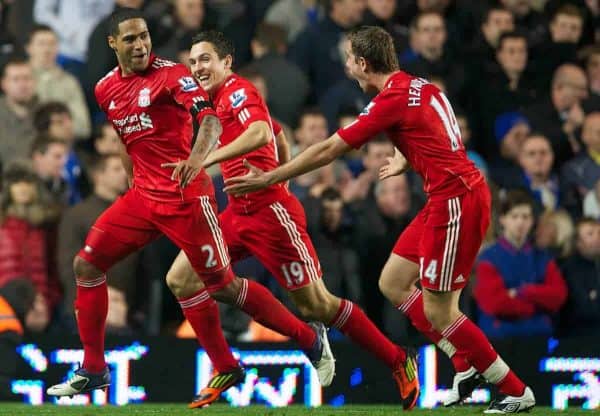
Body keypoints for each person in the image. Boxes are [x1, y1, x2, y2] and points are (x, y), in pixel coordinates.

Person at [224, 26, 536, 414]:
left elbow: (330, 148)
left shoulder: (390, 99)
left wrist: (272, 176)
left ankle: (514, 389)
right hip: (447, 196)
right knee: (393, 282)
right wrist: (406, 154)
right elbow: (436, 125)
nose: (346, 63)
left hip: (457, 201)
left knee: (442, 310)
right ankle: (463, 364)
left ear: (362, 63)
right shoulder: (418, 85)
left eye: (349, 57)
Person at [45, 9, 332, 408]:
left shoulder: (174, 75)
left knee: (224, 288)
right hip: (143, 198)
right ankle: (94, 368)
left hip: (187, 199)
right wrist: (131, 178)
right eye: (130, 39)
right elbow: (125, 137)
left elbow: (210, 121)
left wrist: (198, 160)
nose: (141, 45)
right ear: (113, 44)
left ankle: (307, 337)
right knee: (87, 266)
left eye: (144, 36)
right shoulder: (104, 88)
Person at [166, 30, 419, 411]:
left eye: (206, 59)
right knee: (182, 279)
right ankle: (291, 345)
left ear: (226, 63)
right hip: (237, 213)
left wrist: (211, 162)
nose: (198, 67)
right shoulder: (212, 101)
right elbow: (278, 131)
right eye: (193, 61)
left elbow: (260, 131)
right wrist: (281, 168)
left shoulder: (237, 90)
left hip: (271, 216)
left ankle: (398, 359)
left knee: (319, 305)